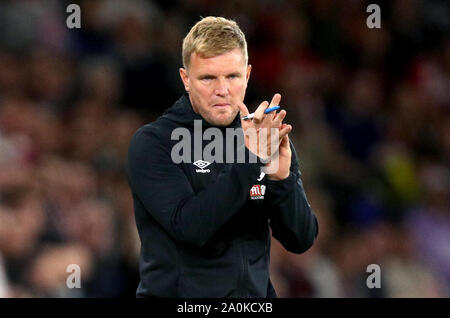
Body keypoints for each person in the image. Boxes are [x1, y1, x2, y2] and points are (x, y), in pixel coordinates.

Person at [126, 16, 318, 298]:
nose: (222, 91)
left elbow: (301, 239)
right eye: (208, 78)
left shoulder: (262, 136)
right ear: (185, 79)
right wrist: (251, 160)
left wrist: (282, 180)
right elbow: (191, 228)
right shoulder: (154, 143)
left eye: (232, 76)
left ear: (248, 74)